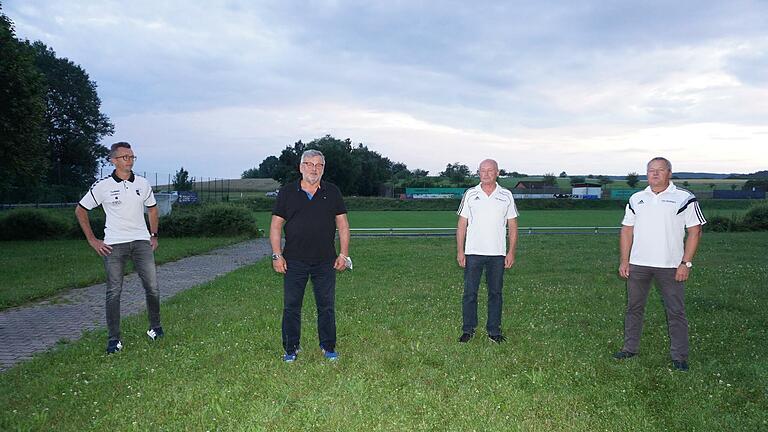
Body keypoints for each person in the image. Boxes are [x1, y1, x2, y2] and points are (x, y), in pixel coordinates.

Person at [614, 156, 706, 371]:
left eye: (660, 170)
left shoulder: (685, 198)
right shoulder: (636, 198)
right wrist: (624, 260)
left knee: (676, 311)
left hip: (671, 266)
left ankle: (679, 356)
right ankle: (630, 349)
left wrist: (686, 263)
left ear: (669, 173)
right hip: (638, 264)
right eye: (651, 170)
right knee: (634, 308)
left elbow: (695, 231)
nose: (655, 174)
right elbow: (627, 230)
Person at [75, 142, 163, 354]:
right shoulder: (102, 186)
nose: (130, 160)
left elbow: (152, 210)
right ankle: (114, 340)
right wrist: (93, 240)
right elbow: (80, 210)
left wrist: (153, 235)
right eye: (125, 157)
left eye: (132, 157)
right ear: (113, 160)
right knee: (114, 292)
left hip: (141, 242)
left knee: (152, 287)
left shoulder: (142, 183)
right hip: (114, 245)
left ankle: (155, 328)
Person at [270, 149, 351, 362]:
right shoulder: (287, 192)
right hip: (294, 260)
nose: (314, 169)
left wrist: (343, 254)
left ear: (323, 169)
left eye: (319, 165)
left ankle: (328, 347)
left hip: (326, 261)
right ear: (301, 167)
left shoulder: (332, 192)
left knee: (326, 306)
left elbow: (342, 225)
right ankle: (291, 349)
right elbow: (276, 226)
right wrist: (277, 256)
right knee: (291, 306)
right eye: (309, 164)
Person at [456, 159, 519, 343]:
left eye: (490, 170)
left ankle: (494, 331)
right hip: (473, 252)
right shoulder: (470, 194)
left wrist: (511, 252)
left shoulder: (506, 195)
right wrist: (460, 251)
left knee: (495, 293)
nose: (486, 174)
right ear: (478, 173)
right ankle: (468, 330)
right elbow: (462, 225)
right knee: (469, 293)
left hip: (497, 254)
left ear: (497, 172)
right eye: (482, 171)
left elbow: (513, 226)